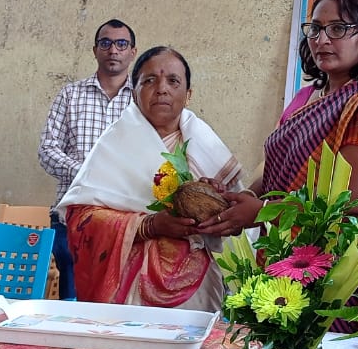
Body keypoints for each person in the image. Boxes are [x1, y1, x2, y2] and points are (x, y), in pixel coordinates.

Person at [199, 0, 358, 253]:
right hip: (285, 252)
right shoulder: (309, 97)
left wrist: (263, 211)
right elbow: (278, 171)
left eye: (338, 29)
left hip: (342, 265)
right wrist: (243, 199)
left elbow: (357, 199)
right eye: (315, 29)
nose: (321, 40)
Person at [57, 47, 242, 311]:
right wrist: (149, 226)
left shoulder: (207, 145)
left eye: (173, 81)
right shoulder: (114, 144)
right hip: (130, 291)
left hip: (198, 292)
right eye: (149, 80)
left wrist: (216, 203)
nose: (162, 89)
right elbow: (81, 219)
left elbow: (239, 224)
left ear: (188, 95)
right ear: (134, 93)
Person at [39, 19, 136, 300]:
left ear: (132, 51)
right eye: (105, 43)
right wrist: (86, 172)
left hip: (123, 220)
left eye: (121, 44)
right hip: (70, 216)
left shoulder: (141, 102)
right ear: (95, 50)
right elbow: (47, 149)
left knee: (116, 303)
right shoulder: (70, 95)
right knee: (72, 301)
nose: (113, 50)